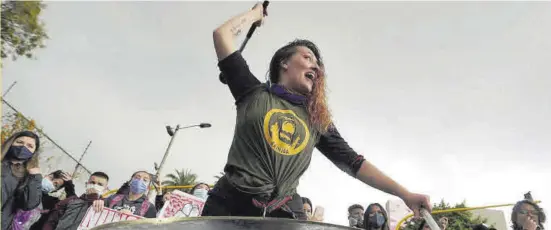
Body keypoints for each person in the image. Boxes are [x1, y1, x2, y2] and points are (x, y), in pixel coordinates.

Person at [204, 2, 432, 221]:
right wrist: (254, 14)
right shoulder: (252, 92)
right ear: (284, 63)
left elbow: (354, 163)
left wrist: (405, 194)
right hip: (228, 204)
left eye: (318, 64)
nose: (315, 66)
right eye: (307, 58)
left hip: (282, 213)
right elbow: (222, 34)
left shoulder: (316, 119)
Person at [1, 131, 43, 230]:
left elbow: (29, 204)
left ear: (34, 152)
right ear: (11, 142)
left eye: (30, 146)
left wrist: (35, 178)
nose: (23, 147)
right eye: (20, 142)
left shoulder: (27, 176)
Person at [41, 171, 109, 230]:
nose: (95, 186)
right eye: (92, 182)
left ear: (105, 189)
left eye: (100, 184)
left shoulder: (106, 208)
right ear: (86, 184)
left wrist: (93, 200)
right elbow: (52, 221)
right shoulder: (71, 200)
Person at [92, 171, 156, 218]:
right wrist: (98, 202)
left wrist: (131, 219)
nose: (140, 181)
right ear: (130, 181)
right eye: (137, 178)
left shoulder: (150, 208)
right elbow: (97, 212)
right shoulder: (114, 198)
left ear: (148, 187)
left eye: (145, 180)